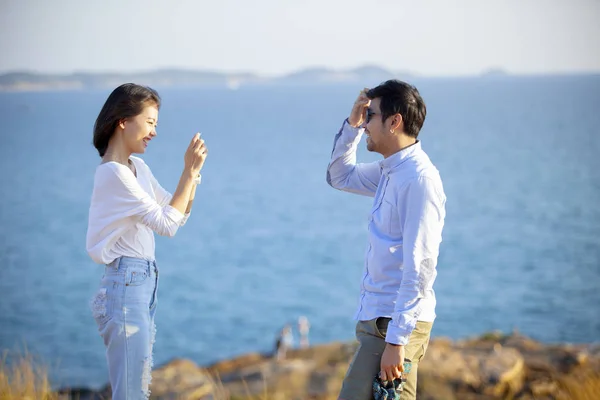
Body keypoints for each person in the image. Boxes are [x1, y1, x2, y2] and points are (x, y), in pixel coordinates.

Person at [86, 83, 208, 399]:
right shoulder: (114, 174)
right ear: (123, 120)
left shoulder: (136, 167)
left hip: (140, 284)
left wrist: (193, 177)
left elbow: (176, 213)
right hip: (126, 285)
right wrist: (187, 171)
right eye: (150, 121)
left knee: (135, 390)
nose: (154, 131)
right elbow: (167, 224)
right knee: (130, 394)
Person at [326, 80, 446, 400]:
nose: (366, 124)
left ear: (395, 122)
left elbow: (419, 267)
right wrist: (352, 124)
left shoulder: (419, 180)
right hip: (379, 322)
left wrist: (397, 342)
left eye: (371, 116)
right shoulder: (389, 171)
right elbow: (339, 176)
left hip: (394, 325)